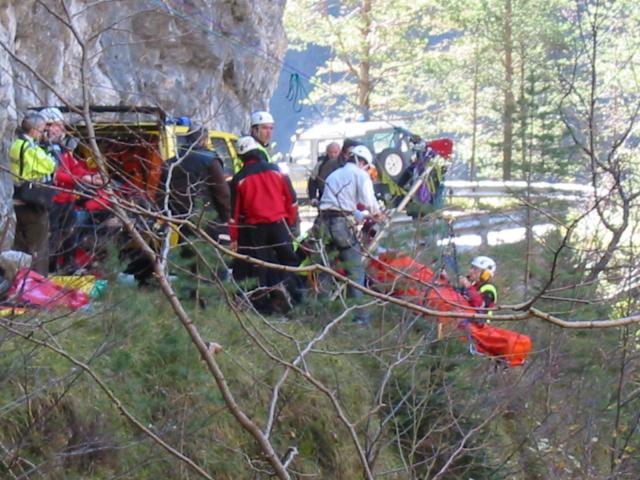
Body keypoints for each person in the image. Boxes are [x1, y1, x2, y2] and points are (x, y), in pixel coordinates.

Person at [230, 136, 301, 311]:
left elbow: (233, 214)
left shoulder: (239, 179)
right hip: (279, 224)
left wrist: (234, 238)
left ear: (241, 157)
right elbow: (292, 200)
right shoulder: (276, 170)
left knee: (258, 266)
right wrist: (291, 223)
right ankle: (294, 297)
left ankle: (263, 306)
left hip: (255, 229)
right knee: (288, 261)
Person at [318, 144, 383, 325]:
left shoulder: (334, 175)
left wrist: (360, 215)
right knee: (355, 271)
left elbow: (340, 203)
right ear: (362, 161)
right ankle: (360, 318)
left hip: (323, 223)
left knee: (325, 269)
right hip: (342, 226)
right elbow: (368, 201)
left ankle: (322, 314)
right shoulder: (360, 175)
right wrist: (377, 214)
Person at [40, 107, 106, 272]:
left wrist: (92, 176)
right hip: (52, 200)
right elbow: (56, 174)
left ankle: (68, 265)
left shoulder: (62, 149)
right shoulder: (42, 150)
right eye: (57, 125)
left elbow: (74, 168)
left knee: (70, 233)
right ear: (46, 126)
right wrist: (83, 179)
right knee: (52, 237)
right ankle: (50, 269)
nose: (61, 129)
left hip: (67, 200)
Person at [9, 113, 57, 275]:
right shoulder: (29, 148)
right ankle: (39, 283)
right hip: (32, 201)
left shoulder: (15, 144)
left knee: (19, 245)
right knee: (39, 245)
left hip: (17, 199)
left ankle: (17, 280)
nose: (43, 133)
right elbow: (49, 166)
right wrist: (49, 153)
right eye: (42, 129)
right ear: (35, 130)